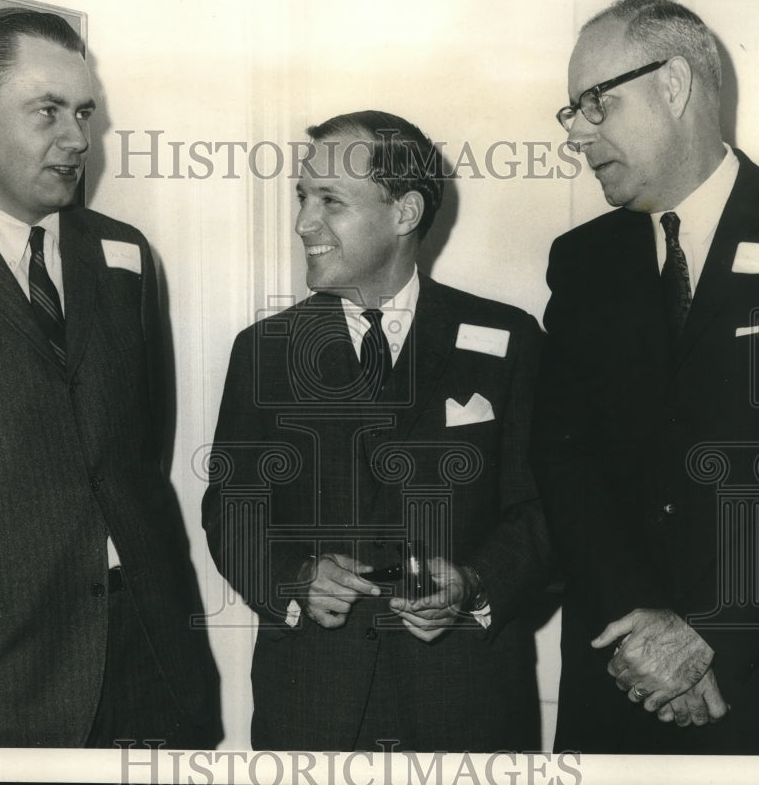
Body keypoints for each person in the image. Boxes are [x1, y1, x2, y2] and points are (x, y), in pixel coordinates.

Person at [0, 7, 221, 748]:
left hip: (146, 655)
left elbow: (139, 449)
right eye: (48, 112)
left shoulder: (125, 254)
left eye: (84, 112)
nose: (77, 139)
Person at [202, 110, 550, 752]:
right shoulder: (265, 350)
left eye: (331, 201)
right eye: (303, 198)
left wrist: (473, 583)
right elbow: (230, 510)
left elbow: (541, 511)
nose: (305, 222)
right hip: (313, 708)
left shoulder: (508, 341)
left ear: (404, 211)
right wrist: (294, 579)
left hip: (464, 705)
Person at [533, 0, 759, 754]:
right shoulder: (582, 261)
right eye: (572, 111)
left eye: (597, 102)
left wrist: (713, 633)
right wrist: (644, 631)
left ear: (676, 84)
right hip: (618, 676)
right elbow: (565, 463)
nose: (578, 131)